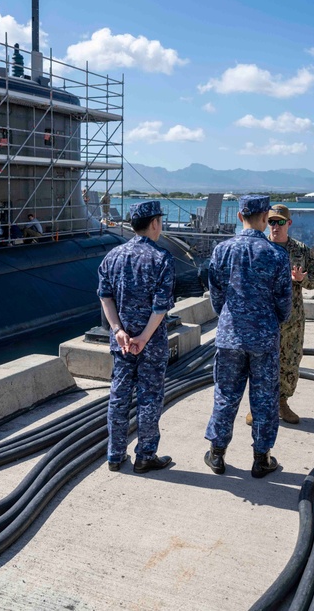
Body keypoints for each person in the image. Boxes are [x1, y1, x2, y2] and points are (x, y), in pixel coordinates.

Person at [205, 195, 292, 479]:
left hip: (230, 336)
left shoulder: (222, 250)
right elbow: (284, 302)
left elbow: (216, 294)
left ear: (240, 217)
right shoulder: (277, 254)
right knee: (264, 399)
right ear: (265, 218)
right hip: (264, 338)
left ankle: (217, 454)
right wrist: (271, 321)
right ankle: (261, 458)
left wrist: (230, 318)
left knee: (226, 395)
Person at [97, 200, 175, 474]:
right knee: (149, 398)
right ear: (154, 223)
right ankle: (145, 455)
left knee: (118, 396)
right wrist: (142, 338)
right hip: (150, 344)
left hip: (120, 342)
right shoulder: (161, 259)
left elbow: (105, 296)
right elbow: (161, 307)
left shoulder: (113, 256)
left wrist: (118, 330)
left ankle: (115, 455)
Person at [245, 204, 314, 425]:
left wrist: (301, 280)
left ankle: (282, 403)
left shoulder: (302, 251)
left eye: (280, 222)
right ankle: (257, 406)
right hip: (265, 318)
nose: (275, 227)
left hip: (292, 319)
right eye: (271, 222)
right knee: (260, 364)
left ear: (289, 223)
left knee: (289, 362)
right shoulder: (259, 248)